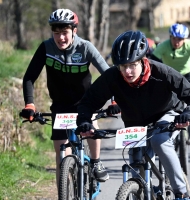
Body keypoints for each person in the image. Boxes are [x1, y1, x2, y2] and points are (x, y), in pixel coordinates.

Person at [76, 30, 190, 199]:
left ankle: (182, 193)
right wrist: (85, 121)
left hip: (166, 115)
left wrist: (189, 113)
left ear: (143, 61)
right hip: (135, 124)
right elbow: (88, 102)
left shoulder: (162, 72)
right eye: (123, 66)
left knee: (159, 141)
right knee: (137, 166)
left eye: (133, 65)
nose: (127, 71)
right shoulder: (113, 77)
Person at [20, 8, 113, 187]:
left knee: (92, 125)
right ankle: (65, 191)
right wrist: (30, 104)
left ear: (74, 31)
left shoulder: (85, 47)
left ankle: (95, 162)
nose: (61, 38)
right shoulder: (46, 48)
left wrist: (114, 100)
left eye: (65, 33)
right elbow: (29, 77)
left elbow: (110, 75)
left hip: (86, 103)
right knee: (61, 157)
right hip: (60, 105)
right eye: (57, 33)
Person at [150, 23, 190, 131]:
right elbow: (152, 61)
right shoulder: (164, 46)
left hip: (187, 74)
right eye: (174, 39)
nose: (176, 42)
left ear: (185, 39)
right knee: (168, 99)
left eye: (180, 39)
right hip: (169, 76)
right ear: (170, 37)